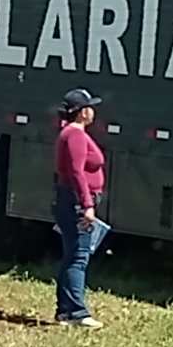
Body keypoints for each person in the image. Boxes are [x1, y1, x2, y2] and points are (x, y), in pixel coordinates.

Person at [52, 87, 106, 329]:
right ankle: (77, 312)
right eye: (90, 106)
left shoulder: (71, 133)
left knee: (72, 255)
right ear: (82, 112)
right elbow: (77, 172)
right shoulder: (74, 135)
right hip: (75, 202)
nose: (93, 110)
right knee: (78, 258)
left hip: (69, 199)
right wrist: (87, 205)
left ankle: (65, 311)